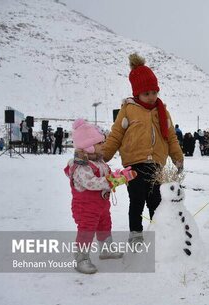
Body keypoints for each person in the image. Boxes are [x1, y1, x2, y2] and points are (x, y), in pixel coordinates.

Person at [102, 53, 184, 244]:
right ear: (137, 93)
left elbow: (171, 136)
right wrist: (104, 155)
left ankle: (158, 231)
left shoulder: (162, 111)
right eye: (146, 93)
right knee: (136, 202)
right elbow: (116, 135)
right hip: (134, 166)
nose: (151, 97)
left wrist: (177, 157)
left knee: (156, 201)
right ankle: (136, 235)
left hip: (156, 166)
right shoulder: (128, 110)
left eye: (154, 92)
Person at [64, 119, 136, 274]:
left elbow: (106, 177)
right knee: (87, 230)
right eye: (100, 143)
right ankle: (81, 258)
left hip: (101, 205)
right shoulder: (81, 166)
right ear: (88, 146)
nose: (103, 146)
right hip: (85, 207)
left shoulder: (99, 161)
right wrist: (111, 181)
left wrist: (118, 175)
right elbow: (91, 183)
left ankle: (106, 249)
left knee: (105, 225)